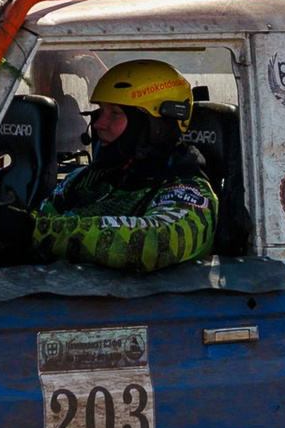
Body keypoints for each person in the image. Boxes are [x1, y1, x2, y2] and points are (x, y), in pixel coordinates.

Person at [31, 59, 219, 273]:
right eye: (101, 111)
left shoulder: (188, 191)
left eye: (115, 113)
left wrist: (40, 232)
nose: (100, 124)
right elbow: (42, 216)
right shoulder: (86, 179)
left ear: (156, 125)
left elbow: (151, 245)